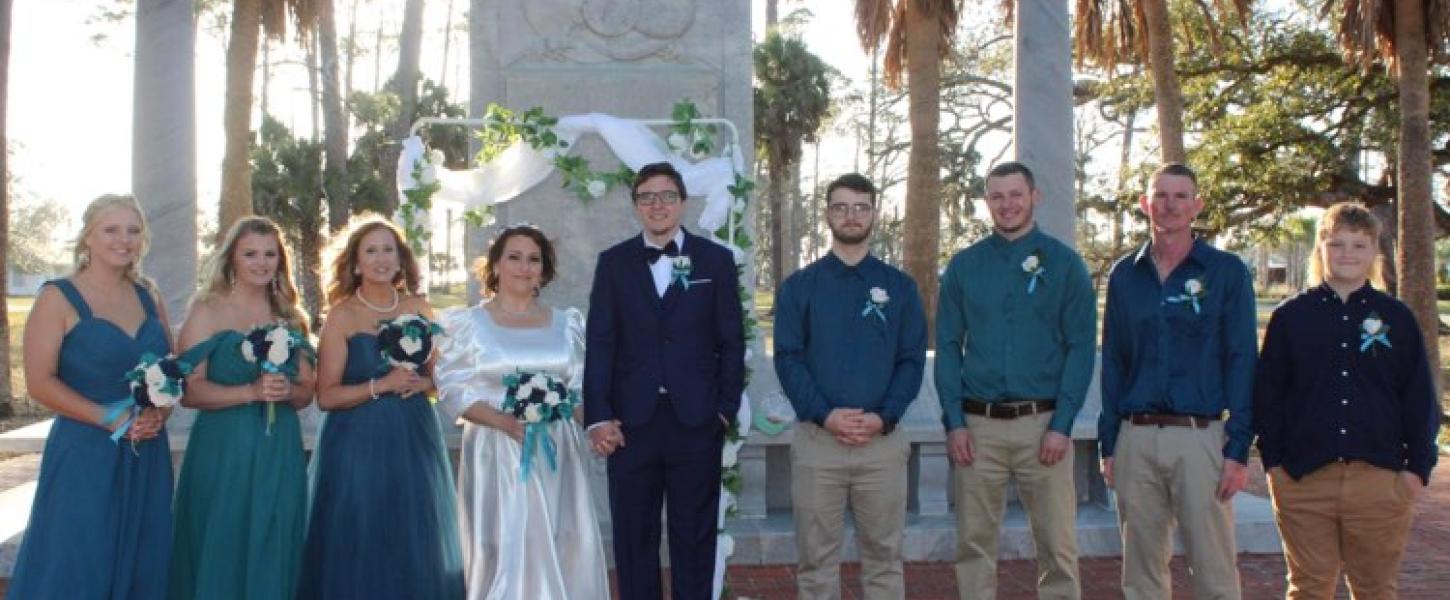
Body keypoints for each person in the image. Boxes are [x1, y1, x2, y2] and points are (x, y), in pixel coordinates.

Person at [1254, 202, 1439, 599]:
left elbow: (1419, 397)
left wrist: (1416, 469)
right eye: (1337, 244)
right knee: (1308, 588)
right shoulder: (1291, 317)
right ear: (1320, 248)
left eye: (1359, 245)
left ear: (1375, 251)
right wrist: (1274, 463)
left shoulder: (1397, 317)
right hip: (1303, 478)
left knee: (1375, 590)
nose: (1348, 255)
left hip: (1380, 479)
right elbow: (1269, 396)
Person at [584, 161, 745, 599]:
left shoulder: (716, 261)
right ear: (636, 205)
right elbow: (600, 343)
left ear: (682, 202)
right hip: (631, 424)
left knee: (694, 538)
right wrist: (599, 416)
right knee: (633, 538)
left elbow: (732, 342)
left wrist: (724, 410)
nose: (657, 205)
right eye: (647, 197)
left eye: (667, 196)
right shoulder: (614, 263)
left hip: (696, 421)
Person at [935, 162, 1094, 600]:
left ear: (1034, 196)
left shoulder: (1064, 264)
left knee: (1057, 545)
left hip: (1043, 426)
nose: (1007, 205)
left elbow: (1081, 348)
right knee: (973, 543)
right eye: (997, 196)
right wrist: (954, 422)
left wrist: (1063, 424)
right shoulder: (964, 267)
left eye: (1015, 194)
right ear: (988, 202)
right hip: (977, 426)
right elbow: (948, 347)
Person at [1098, 163, 1256, 599]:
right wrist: (1110, 443)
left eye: (1181, 196)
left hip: (1200, 437)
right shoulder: (1124, 276)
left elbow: (1242, 360)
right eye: (1161, 196)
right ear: (1146, 204)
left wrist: (1238, 448)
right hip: (1136, 435)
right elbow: (1114, 361)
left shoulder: (1225, 272)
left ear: (1197, 205)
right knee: (1142, 575)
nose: (1170, 205)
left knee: (1214, 571)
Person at [9, 194, 175, 599]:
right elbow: (40, 382)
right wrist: (111, 418)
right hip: (85, 452)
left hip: (147, 451)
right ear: (87, 237)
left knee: (144, 556)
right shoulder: (58, 297)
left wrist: (160, 414)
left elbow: (169, 372)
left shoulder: (148, 296)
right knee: (78, 557)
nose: (124, 240)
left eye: (133, 231)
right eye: (111, 230)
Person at [773, 173, 927, 600]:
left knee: (883, 558)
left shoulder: (899, 288)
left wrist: (883, 416)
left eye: (861, 206)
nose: (851, 215)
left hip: (881, 444)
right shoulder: (800, 288)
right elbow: (788, 358)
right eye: (841, 207)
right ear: (827, 214)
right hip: (818, 441)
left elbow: (911, 360)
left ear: (874, 213)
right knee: (816, 560)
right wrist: (825, 414)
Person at [434, 224, 609, 598]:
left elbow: (578, 390)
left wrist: (597, 426)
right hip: (495, 450)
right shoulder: (468, 325)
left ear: (544, 271)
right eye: (514, 257)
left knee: (564, 539)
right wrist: (501, 421)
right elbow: (451, 389)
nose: (524, 267)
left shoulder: (567, 325)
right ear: (495, 265)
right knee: (501, 545)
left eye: (534, 259)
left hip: (558, 453)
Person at [298, 218, 464, 599]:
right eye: (370, 251)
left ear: (401, 258)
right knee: (361, 533)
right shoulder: (343, 315)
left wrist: (423, 383)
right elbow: (326, 396)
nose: (381, 258)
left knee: (413, 531)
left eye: (388, 249)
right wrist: (381, 385)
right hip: (356, 443)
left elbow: (444, 381)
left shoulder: (420, 309)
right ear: (356, 263)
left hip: (413, 439)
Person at [168, 216, 317, 600]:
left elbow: (306, 395)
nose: (261, 262)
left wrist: (286, 391)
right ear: (232, 257)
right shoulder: (208, 310)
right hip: (222, 449)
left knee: (275, 534)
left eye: (270, 254)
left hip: (277, 450)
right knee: (223, 535)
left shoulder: (290, 318)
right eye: (250, 253)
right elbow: (189, 391)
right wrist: (250, 391)